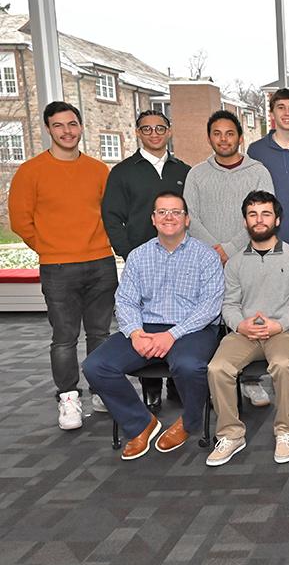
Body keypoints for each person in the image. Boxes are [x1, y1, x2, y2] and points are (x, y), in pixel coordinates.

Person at [83, 192, 224, 460]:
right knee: (95, 366)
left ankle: (190, 421)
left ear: (187, 219)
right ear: (153, 219)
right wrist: (135, 332)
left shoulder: (206, 256)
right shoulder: (138, 256)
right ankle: (140, 423)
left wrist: (171, 335)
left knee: (189, 366)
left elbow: (210, 306)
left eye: (176, 212)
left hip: (192, 329)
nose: (169, 217)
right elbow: (124, 300)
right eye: (162, 212)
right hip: (145, 327)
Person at [9, 101, 118, 430]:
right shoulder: (31, 171)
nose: (67, 131)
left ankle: (101, 390)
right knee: (64, 337)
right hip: (58, 268)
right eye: (59, 125)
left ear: (81, 127)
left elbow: (110, 214)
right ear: (48, 129)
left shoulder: (99, 171)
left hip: (100, 262)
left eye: (72, 124)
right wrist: (49, 247)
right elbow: (19, 220)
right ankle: (68, 397)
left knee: (100, 333)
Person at [205, 191, 289, 467]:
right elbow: (229, 304)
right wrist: (241, 324)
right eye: (253, 214)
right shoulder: (236, 263)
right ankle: (231, 434)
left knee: (285, 364)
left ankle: (285, 431)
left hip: (284, 331)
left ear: (277, 220)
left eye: (265, 214)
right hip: (244, 333)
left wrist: (279, 324)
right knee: (217, 368)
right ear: (245, 222)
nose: (259, 220)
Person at [102, 109, 191, 413]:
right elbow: (112, 218)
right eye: (147, 129)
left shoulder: (183, 170)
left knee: (179, 315)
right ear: (137, 132)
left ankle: (178, 382)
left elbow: (192, 215)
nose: (154, 134)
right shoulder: (123, 172)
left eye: (160, 128)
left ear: (169, 131)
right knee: (146, 318)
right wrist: (130, 254)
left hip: (180, 259)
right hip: (144, 262)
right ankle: (151, 388)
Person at [184, 109, 275, 407]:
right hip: (206, 258)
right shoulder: (196, 174)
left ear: (240, 137)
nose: (224, 139)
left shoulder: (258, 171)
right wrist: (214, 250)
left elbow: (263, 214)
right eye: (217, 133)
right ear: (209, 137)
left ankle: (249, 381)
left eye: (229, 133)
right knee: (210, 318)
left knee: (247, 312)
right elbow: (190, 216)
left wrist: (230, 248)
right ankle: (217, 379)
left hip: (248, 254)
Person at [247, 88, 289, 251]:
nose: (287, 112)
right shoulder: (256, 151)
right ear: (271, 114)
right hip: (267, 239)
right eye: (280, 107)